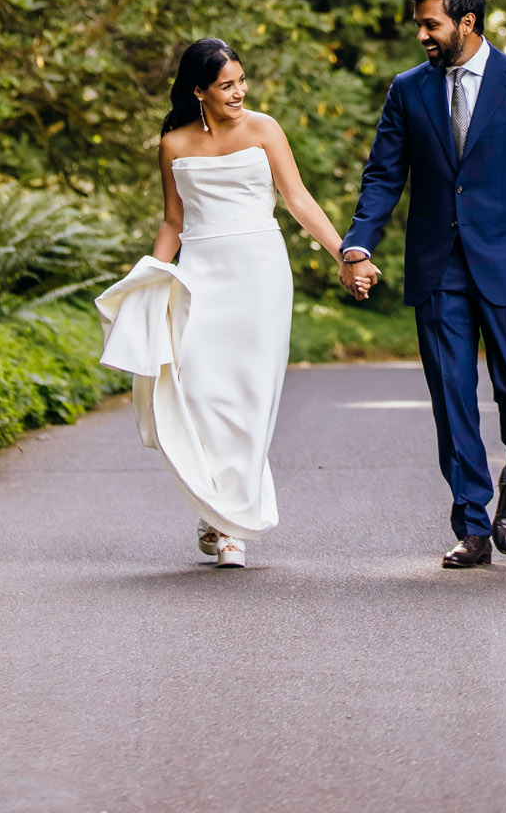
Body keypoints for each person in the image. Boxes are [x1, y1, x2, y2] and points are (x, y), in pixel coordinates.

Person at [340, 0, 506, 569]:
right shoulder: (407, 90)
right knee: (452, 397)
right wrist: (358, 243)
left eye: (430, 23)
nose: (422, 35)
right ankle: (471, 522)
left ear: (466, 22)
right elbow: (383, 175)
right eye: (420, 24)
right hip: (436, 266)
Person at [95, 37, 349, 567]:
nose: (239, 92)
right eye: (226, 85)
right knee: (203, 393)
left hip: (260, 273)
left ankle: (227, 526)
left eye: (241, 81)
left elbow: (297, 199)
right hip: (201, 276)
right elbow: (173, 222)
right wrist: (148, 280)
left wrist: (344, 254)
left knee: (252, 394)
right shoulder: (173, 144)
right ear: (199, 91)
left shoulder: (264, 129)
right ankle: (218, 513)